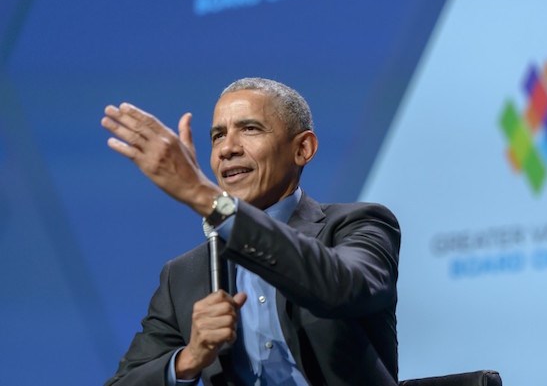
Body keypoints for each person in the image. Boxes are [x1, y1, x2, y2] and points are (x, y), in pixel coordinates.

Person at [101, 78, 401, 386]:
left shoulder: (357, 224)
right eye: (218, 136)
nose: (227, 149)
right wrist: (189, 358)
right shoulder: (184, 275)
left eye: (250, 129)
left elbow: (340, 288)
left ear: (303, 149)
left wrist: (204, 196)